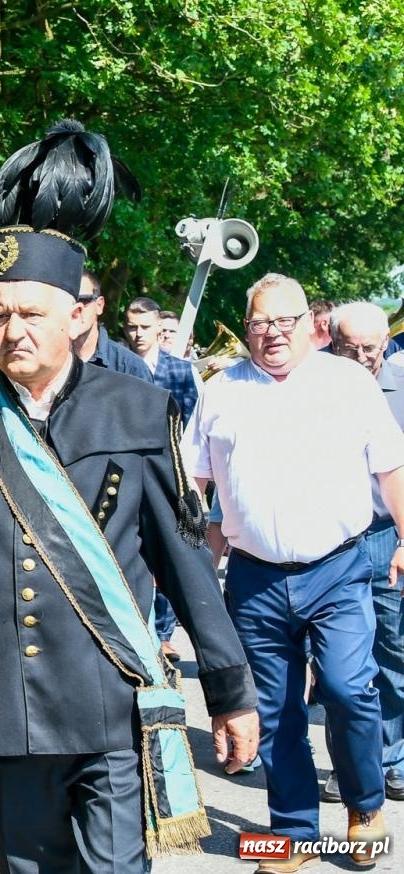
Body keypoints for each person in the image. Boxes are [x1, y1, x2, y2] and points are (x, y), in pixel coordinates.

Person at [0, 121, 258, 874]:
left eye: (30, 315)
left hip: (108, 694)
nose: (11, 332)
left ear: (79, 315)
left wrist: (229, 688)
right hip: (3, 699)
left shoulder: (137, 409)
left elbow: (184, 563)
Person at [188, 274, 404, 870]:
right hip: (254, 577)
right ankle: (294, 833)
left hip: (337, 568)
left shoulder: (349, 383)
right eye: (259, 323)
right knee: (276, 708)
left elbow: (391, 468)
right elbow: (194, 483)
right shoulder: (221, 389)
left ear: (311, 323)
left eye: (283, 322)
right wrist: (194, 570)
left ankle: (365, 806)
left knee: (346, 688)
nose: (270, 334)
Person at [316, 303, 404, 806]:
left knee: (392, 653)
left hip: (389, 535)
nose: (365, 357)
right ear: (333, 341)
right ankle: (353, 764)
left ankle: (390, 758)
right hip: (334, 540)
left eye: (373, 348)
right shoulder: (315, 385)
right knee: (341, 665)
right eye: (352, 348)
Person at [124, 297, 202, 661]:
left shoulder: (181, 371)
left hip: (168, 471)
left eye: (145, 327)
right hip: (127, 473)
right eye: (132, 327)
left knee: (169, 547)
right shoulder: (118, 365)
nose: (138, 334)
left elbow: (189, 425)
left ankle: (165, 631)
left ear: (159, 329)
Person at [70, 271, 151, 381]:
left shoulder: (131, 369)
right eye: (67, 302)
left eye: (83, 300)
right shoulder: (45, 359)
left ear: (99, 305)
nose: (75, 309)